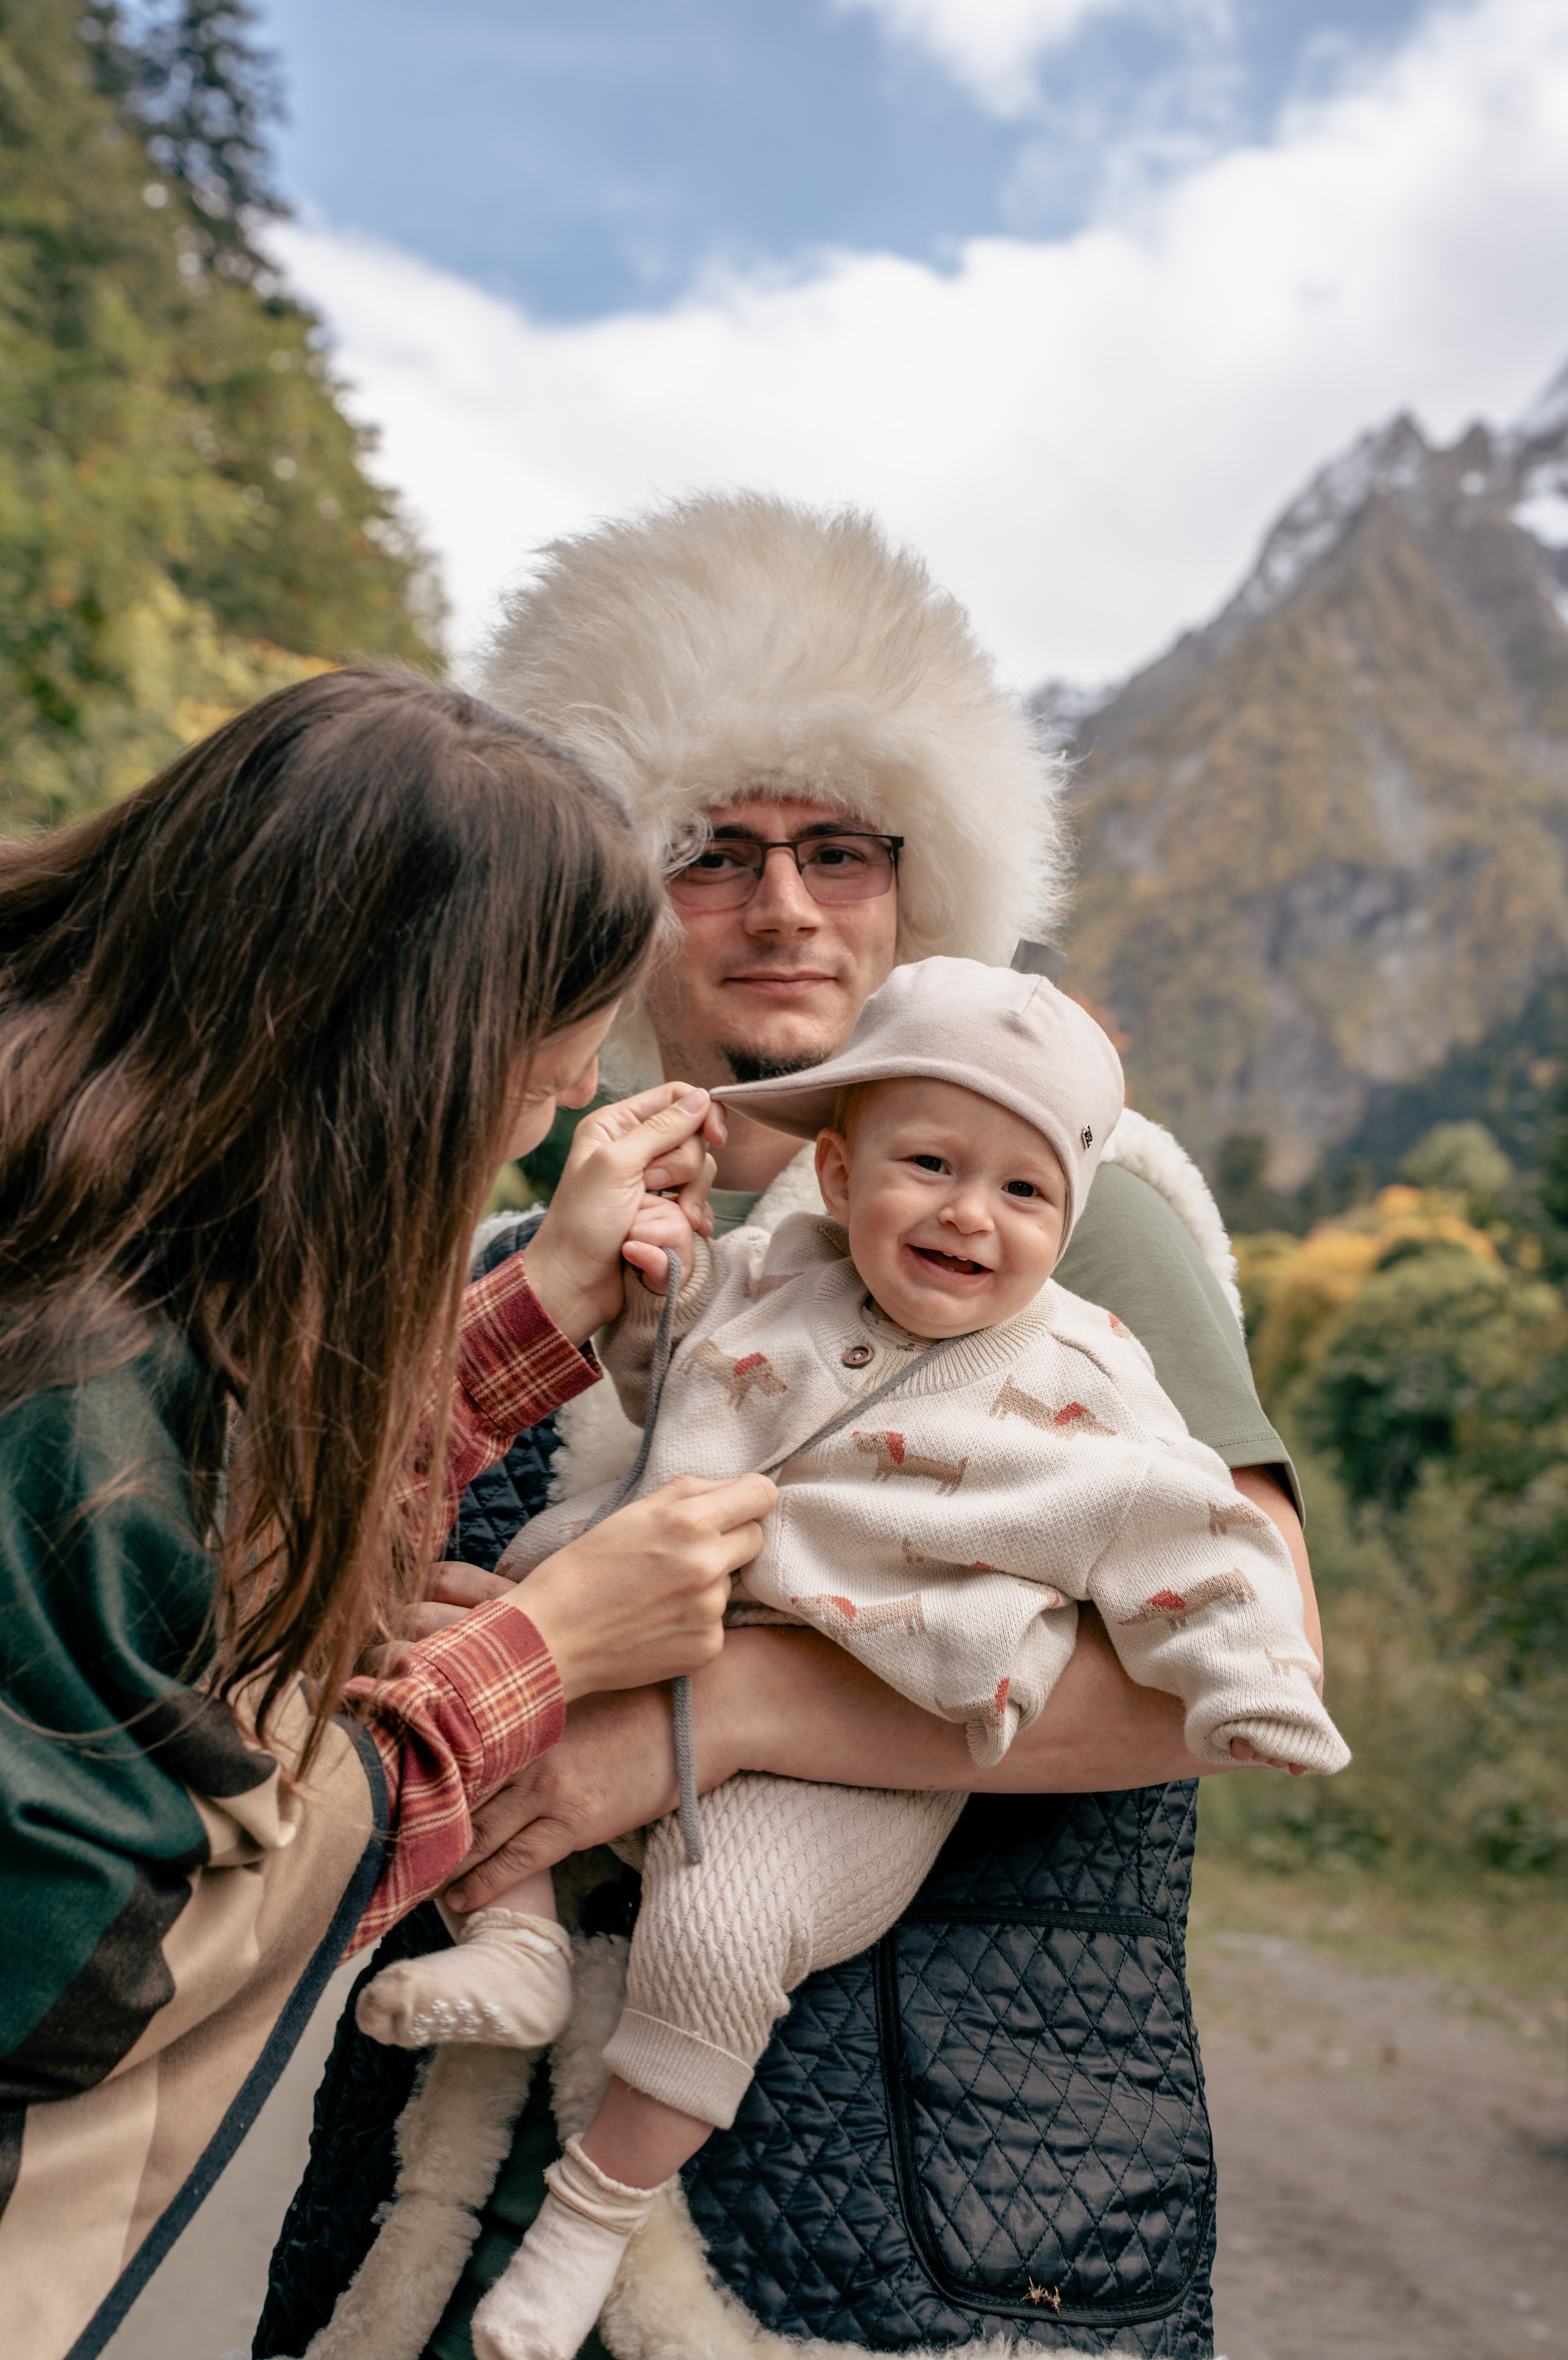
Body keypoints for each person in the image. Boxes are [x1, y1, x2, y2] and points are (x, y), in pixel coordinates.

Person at [260, 502, 1315, 2360]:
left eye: (841, 846)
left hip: (924, 2203)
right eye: (708, 853)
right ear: (600, 893)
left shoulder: (1080, 1206)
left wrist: (705, 1713)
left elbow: (1245, 1642)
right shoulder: (507, 1242)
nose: (786, 908)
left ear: (927, 877)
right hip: (444, 2193)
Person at [360, 961, 1344, 2360]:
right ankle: (512, 1934)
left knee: (719, 1927)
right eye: (929, 1166)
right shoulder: (762, 1264)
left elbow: (1188, 1535)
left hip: (869, 1714)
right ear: (836, 1166)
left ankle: (589, 2217)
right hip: (663, 1587)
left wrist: (1252, 1684)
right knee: (491, 1654)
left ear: (1066, 1219)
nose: (967, 1211)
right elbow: (676, 1387)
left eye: (1018, 1193)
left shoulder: (1085, 1354)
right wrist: (637, 1303)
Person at [0, 669, 777, 2360]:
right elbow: (69, 1965)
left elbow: (185, 1548)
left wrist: (533, 1316)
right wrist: (533, 1658)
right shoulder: (75, 1389)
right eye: (539, 1058)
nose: (559, 1107)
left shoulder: (82, 1235)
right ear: (397, 1045)